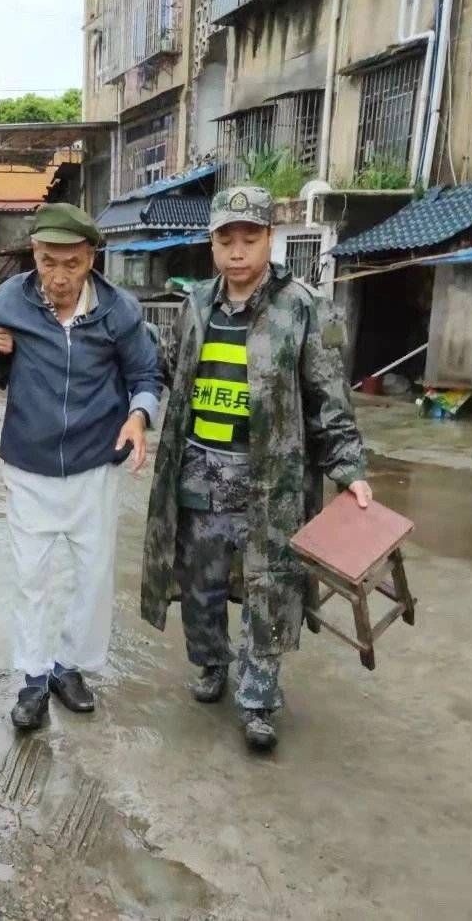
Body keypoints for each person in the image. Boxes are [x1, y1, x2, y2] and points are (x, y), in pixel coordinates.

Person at [140, 186, 372, 752]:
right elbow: (171, 371)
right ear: (212, 244)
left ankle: (259, 698)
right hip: (198, 470)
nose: (238, 251)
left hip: (269, 478)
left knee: (271, 587)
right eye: (226, 239)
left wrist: (349, 466)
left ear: (270, 239)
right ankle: (212, 664)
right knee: (200, 582)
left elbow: (327, 394)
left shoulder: (302, 305)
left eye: (250, 238)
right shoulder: (195, 303)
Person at [0, 202, 162, 732]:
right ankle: (33, 679)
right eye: (47, 261)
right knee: (33, 577)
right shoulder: (11, 301)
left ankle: (68, 667)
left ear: (91, 259)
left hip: (93, 464)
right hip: (30, 464)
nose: (57, 277)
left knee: (91, 576)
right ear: (34, 254)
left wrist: (138, 416)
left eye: (71, 264)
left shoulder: (118, 310)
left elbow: (146, 372)